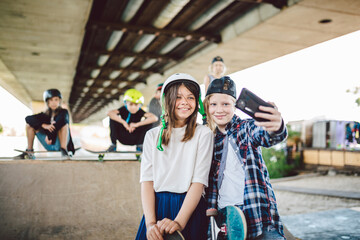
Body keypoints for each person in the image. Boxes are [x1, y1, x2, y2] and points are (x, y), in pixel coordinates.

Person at [203, 76, 288, 239]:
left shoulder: (246, 128)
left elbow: (266, 135)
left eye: (226, 104)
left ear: (235, 106)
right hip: (225, 220)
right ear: (207, 107)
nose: (219, 110)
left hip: (257, 218)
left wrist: (276, 126)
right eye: (214, 104)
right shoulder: (209, 139)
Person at [135, 73, 214, 240]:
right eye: (178, 97)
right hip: (156, 208)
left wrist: (179, 222)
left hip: (188, 208)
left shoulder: (204, 134)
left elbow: (198, 182)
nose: (185, 102)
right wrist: (150, 224)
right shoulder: (151, 136)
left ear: (197, 102)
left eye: (190, 97)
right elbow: (147, 181)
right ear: (167, 101)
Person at [16, 89, 75, 159]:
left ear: (59, 101)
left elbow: (61, 122)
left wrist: (50, 135)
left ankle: (64, 151)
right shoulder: (44, 115)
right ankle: (29, 151)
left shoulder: (63, 112)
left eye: (56, 100)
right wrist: (43, 125)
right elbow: (28, 118)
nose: (53, 103)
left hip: (60, 144)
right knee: (29, 125)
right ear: (47, 102)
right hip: (48, 143)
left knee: (64, 125)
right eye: (51, 100)